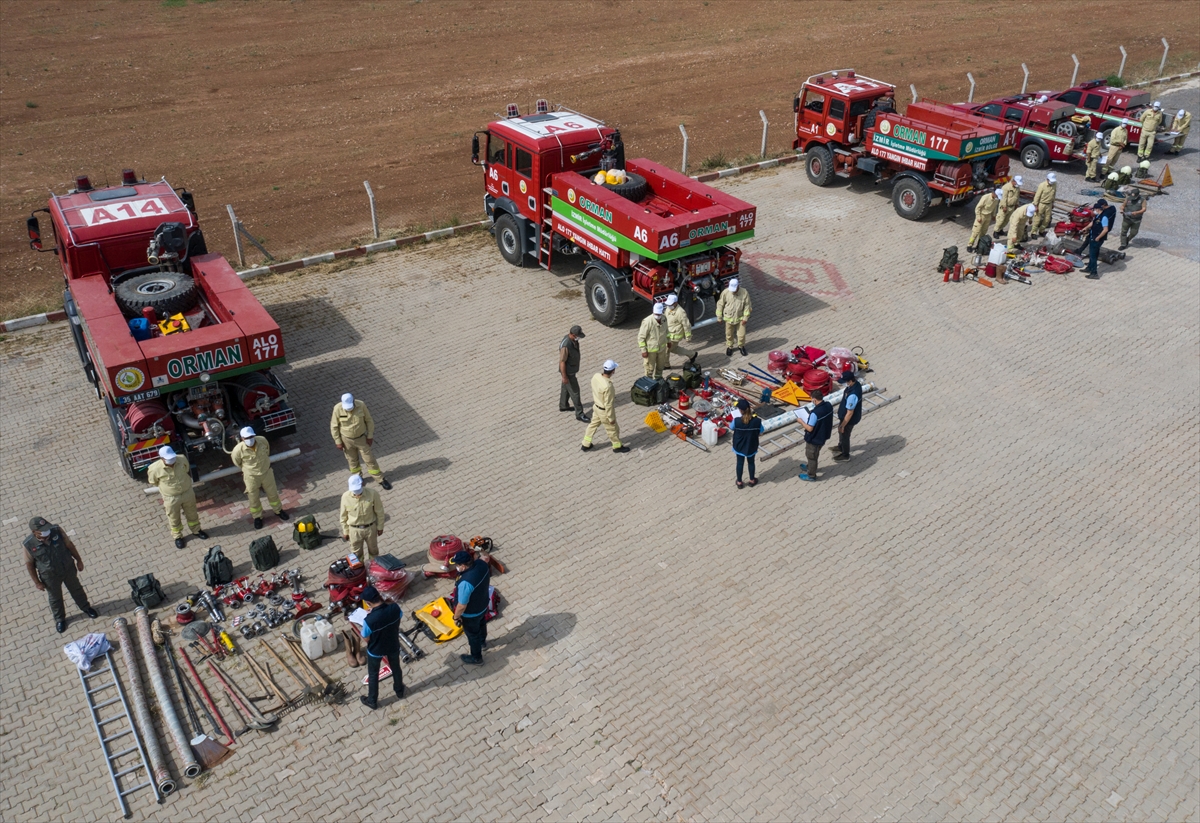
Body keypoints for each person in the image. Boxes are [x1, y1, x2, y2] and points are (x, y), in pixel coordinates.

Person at [24, 516, 99, 633]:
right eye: (43, 530)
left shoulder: (57, 531)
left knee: (76, 589)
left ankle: (86, 608)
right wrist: (37, 582)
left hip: (67, 568)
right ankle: (60, 619)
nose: (47, 532)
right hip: (49, 576)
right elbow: (29, 565)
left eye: (47, 528)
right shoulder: (29, 544)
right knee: (55, 598)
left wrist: (79, 560)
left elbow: (69, 545)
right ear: (34, 532)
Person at [146, 445, 208, 549]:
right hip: (171, 498)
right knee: (174, 518)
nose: (172, 461)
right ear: (162, 458)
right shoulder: (154, 469)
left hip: (187, 492)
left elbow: (187, 469)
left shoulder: (181, 458)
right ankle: (178, 536)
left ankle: (196, 530)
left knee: (192, 513)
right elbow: (153, 482)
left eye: (172, 458)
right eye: (169, 459)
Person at [230, 427, 288, 530]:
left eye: (252, 436)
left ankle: (278, 510)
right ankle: (257, 517)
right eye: (247, 437)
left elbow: (267, 451)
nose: (250, 439)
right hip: (251, 477)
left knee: (273, 493)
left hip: (266, 472)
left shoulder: (262, 440)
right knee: (253, 498)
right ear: (242, 438)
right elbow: (237, 462)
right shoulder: (238, 450)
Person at [330, 393, 392, 490]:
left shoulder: (361, 405)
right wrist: (338, 441)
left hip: (361, 439)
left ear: (354, 401)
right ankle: (357, 479)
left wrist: (370, 435)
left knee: (369, 459)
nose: (349, 409)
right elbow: (334, 426)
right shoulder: (337, 408)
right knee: (352, 461)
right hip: (346, 440)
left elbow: (369, 420)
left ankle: (380, 479)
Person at [358, 585, 404, 709]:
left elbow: (366, 638)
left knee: (373, 674)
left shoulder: (369, 620)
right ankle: (399, 691)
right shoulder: (394, 607)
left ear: (368, 603)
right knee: (396, 667)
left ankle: (372, 700)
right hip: (393, 644)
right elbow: (399, 617)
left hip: (376, 650)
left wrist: (370, 616)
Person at [451, 550, 492, 666]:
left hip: (471, 613)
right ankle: (483, 642)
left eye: (457, 565)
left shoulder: (466, 582)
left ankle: (476, 657)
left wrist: (456, 617)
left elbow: (462, 605)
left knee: (472, 634)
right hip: (483, 604)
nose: (456, 567)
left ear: (463, 566)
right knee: (482, 623)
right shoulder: (482, 564)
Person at [581, 360, 628, 453]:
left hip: (596, 407)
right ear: (613, 371)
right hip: (604, 412)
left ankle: (585, 444)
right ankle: (617, 446)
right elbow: (608, 404)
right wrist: (611, 418)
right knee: (612, 429)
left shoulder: (596, 376)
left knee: (592, 425)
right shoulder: (608, 386)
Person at [339, 474, 385, 561]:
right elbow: (343, 516)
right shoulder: (345, 497)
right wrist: (345, 531)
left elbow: (380, 512)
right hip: (354, 531)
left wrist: (380, 527)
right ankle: (361, 570)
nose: (357, 493)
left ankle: (373, 568)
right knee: (356, 554)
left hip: (371, 528)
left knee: (374, 551)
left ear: (362, 484)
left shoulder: (373, 493)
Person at [797, 389, 834, 482]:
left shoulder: (815, 413)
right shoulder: (828, 405)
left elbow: (809, 428)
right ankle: (810, 466)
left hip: (815, 438)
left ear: (814, 400)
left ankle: (811, 475)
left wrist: (801, 422)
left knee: (811, 456)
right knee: (815, 452)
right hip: (824, 435)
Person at [558, 325, 589, 422]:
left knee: (565, 387)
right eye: (577, 336)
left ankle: (563, 406)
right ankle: (580, 414)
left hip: (571, 371)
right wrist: (564, 376)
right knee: (575, 392)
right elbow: (562, 362)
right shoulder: (566, 345)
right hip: (568, 372)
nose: (578, 338)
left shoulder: (573, 340)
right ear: (572, 334)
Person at [715, 278, 752, 357]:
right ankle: (730, 346)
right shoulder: (725, 292)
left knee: (741, 335)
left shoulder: (744, 292)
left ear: (738, 286)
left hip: (740, 318)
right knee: (729, 334)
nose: (733, 291)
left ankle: (741, 346)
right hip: (729, 318)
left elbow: (747, 306)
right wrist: (719, 316)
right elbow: (720, 304)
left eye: (735, 289)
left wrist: (745, 318)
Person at [731, 399, 763, 489]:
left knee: (740, 463)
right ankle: (752, 480)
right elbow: (761, 431)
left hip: (739, 446)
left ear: (740, 410)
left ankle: (739, 482)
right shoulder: (757, 421)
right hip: (751, 445)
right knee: (751, 462)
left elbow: (731, 427)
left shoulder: (736, 421)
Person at [1080, 199, 1114, 279]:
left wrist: (1098, 238)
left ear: (1097, 209)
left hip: (1097, 239)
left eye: (1094, 209)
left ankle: (1094, 273)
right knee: (1092, 254)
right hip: (1093, 237)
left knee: (1093, 256)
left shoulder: (1104, 217)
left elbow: (1105, 229)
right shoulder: (1098, 216)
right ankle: (1089, 268)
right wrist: (1086, 227)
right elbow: (1093, 223)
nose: (1093, 211)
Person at [832, 370, 862, 462]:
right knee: (841, 433)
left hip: (849, 420)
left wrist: (842, 425)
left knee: (845, 435)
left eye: (845, 382)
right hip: (844, 416)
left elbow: (849, 413)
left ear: (850, 381)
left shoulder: (853, 395)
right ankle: (840, 447)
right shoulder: (855, 385)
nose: (844, 384)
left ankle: (845, 455)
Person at [637, 302, 670, 379]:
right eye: (656, 314)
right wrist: (643, 350)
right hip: (650, 351)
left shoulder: (664, 319)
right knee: (649, 369)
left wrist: (669, 341)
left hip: (661, 349)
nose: (657, 316)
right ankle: (648, 382)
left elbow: (667, 331)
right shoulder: (647, 322)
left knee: (660, 366)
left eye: (659, 314)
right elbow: (641, 337)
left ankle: (658, 380)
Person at [664, 294, 698, 367]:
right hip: (668, 333)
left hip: (675, 336)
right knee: (673, 349)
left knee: (666, 349)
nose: (669, 306)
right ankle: (692, 354)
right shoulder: (668, 308)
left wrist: (688, 336)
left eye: (671, 304)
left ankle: (666, 365)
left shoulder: (680, 312)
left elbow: (686, 325)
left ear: (676, 303)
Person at [1118, 186, 1147, 250]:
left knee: (1134, 232)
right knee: (1123, 232)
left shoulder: (1142, 200)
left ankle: (1127, 240)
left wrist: (1137, 212)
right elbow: (1123, 206)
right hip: (1127, 218)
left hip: (1136, 219)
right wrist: (1122, 210)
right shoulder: (1128, 198)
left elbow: (1144, 209)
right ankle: (1123, 244)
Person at [1030, 172, 1057, 236]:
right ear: (1047, 179)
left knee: (1047, 219)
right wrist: (1035, 205)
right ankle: (1033, 232)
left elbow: (1054, 194)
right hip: (1041, 204)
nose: (1052, 182)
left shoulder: (1054, 184)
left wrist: (1053, 202)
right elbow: (1037, 196)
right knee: (1037, 219)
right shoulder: (1042, 185)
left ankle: (1041, 231)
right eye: (1051, 181)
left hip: (1049, 204)